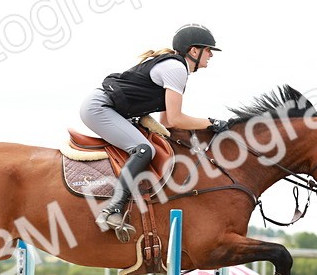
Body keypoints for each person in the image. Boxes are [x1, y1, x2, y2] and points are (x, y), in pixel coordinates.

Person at [79, 23, 227, 238]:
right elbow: (177, 119)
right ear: (194, 51)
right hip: (99, 108)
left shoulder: (176, 68)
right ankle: (113, 209)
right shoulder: (176, 69)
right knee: (143, 149)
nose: (211, 55)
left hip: (110, 109)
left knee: (156, 144)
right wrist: (213, 123)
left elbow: (167, 124)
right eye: (208, 50)